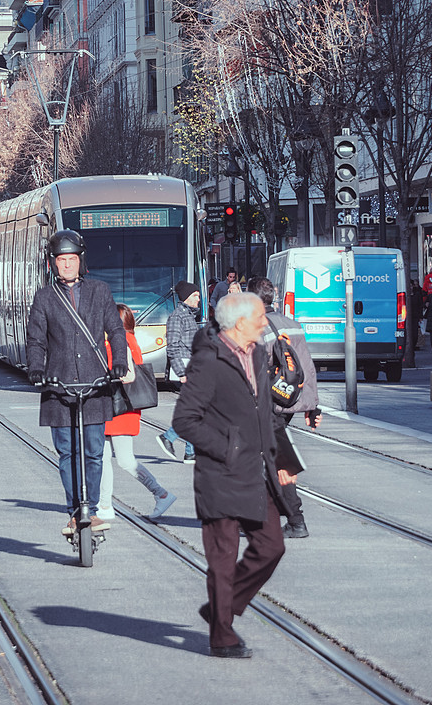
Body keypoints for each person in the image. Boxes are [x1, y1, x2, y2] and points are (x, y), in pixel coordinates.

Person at [172, 293, 297, 659]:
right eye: (260, 316)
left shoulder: (256, 353)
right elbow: (184, 420)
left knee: (272, 546)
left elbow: (266, 414)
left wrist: (285, 461)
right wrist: (228, 447)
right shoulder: (209, 361)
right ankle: (222, 635)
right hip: (220, 474)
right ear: (240, 322)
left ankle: (219, 610)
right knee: (223, 558)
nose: (265, 321)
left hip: (256, 471)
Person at [26, 230, 127, 537]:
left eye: (72, 259)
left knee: (95, 452)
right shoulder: (44, 297)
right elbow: (36, 340)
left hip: (96, 384)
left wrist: (118, 363)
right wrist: (36, 370)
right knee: (67, 453)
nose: (67, 265)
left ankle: (92, 510)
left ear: (81, 261)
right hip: (59, 386)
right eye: (61, 260)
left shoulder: (100, 290)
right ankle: (74, 512)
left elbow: (116, 330)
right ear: (52, 263)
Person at [247, 276, 322, 539]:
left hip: (265, 404)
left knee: (271, 461)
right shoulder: (293, 325)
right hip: (288, 400)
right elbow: (307, 368)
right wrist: (312, 407)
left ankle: (294, 519)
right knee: (271, 458)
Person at [96, 303, 177, 522]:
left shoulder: (120, 341)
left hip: (119, 408)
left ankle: (160, 493)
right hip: (117, 407)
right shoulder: (127, 339)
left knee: (121, 460)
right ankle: (104, 504)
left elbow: (128, 374)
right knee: (105, 458)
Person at [158, 281, 200, 464]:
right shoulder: (177, 317)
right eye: (196, 296)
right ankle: (169, 437)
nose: (199, 299)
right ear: (187, 298)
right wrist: (181, 372)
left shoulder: (188, 315)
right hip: (186, 368)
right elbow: (172, 346)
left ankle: (190, 451)